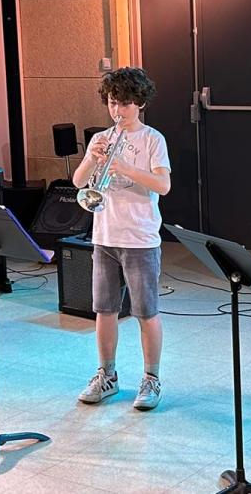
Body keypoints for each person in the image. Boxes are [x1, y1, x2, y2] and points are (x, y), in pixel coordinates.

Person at [71, 67, 171, 411]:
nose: (118, 110)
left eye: (125, 103)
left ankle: (151, 378)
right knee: (104, 310)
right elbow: (79, 182)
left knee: (146, 312)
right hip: (105, 236)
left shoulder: (153, 140)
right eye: (113, 103)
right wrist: (92, 157)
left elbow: (163, 185)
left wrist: (125, 168)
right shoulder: (102, 138)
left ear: (139, 103)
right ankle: (107, 375)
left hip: (140, 238)